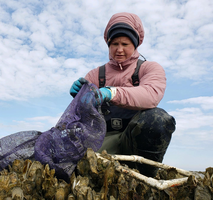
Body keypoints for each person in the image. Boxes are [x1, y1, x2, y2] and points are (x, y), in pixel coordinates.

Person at [69, 12, 176, 177]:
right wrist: (78, 97)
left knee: (158, 119)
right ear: (108, 44)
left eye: (125, 44)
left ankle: (146, 176)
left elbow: (151, 95)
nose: (119, 49)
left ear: (135, 45)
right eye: (114, 44)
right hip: (102, 140)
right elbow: (82, 115)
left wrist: (112, 92)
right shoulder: (95, 74)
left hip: (134, 142)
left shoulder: (150, 68)